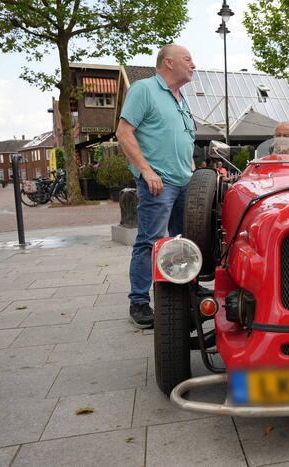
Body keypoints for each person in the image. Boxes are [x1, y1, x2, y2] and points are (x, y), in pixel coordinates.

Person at [116, 44, 197, 328]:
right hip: (158, 182)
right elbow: (124, 132)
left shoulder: (181, 97)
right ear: (168, 62)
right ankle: (138, 301)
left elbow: (181, 137)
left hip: (184, 181)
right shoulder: (144, 89)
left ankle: (180, 298)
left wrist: (192, 168)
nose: (193, 65)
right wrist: (146, 170)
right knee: (150, 241)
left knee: (184, 242)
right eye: (188, 59)